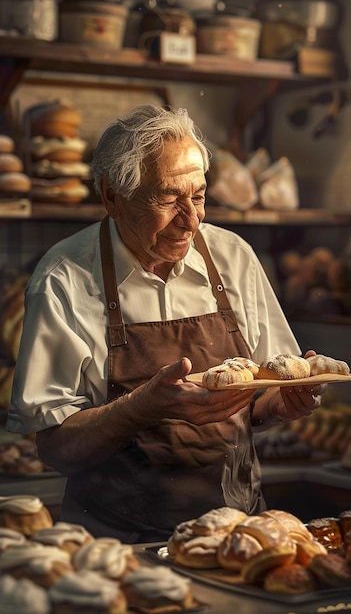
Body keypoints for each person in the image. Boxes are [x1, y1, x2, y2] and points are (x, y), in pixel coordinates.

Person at [6, 105, 325, 543]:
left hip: (234, 537)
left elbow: (261, 394)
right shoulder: (64, 278)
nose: (192, 220)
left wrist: (277, 404)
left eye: (198, 196)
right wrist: (142, 407)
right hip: (117, 548)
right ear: (112, 196)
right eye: (168, 198)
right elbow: (55, 446)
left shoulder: (233, 258)